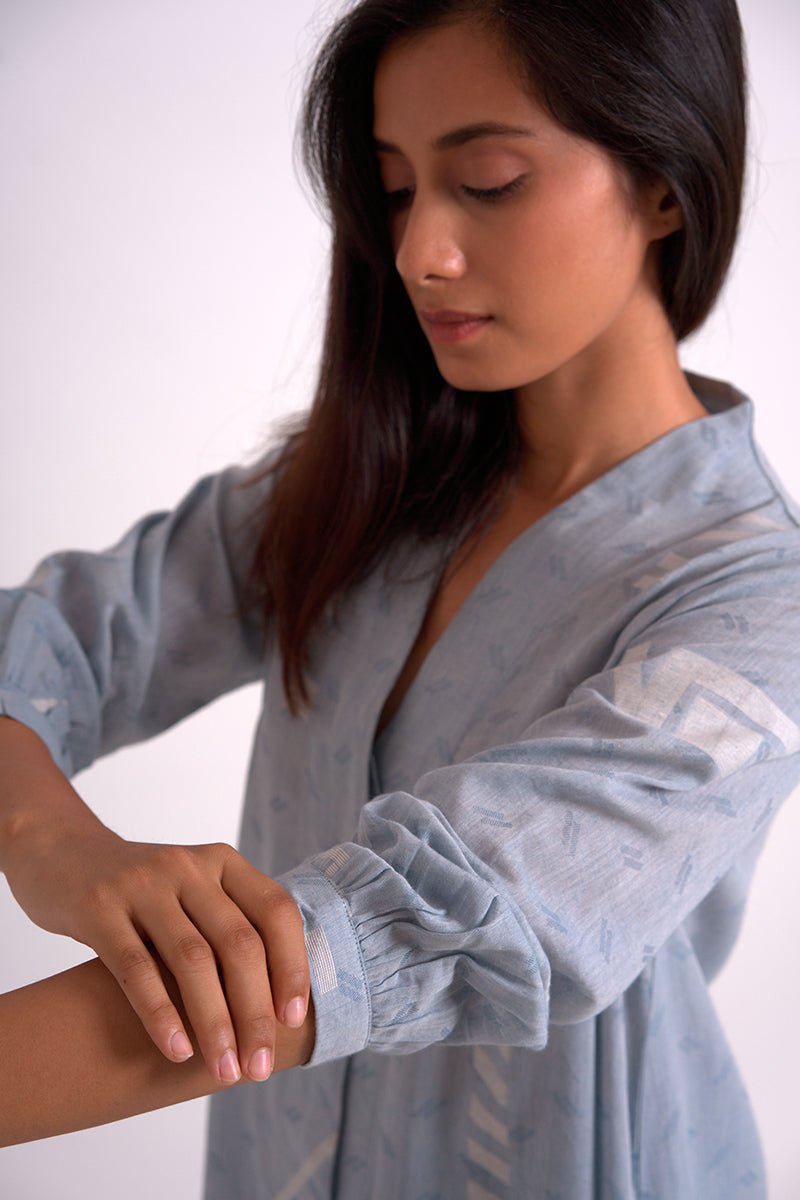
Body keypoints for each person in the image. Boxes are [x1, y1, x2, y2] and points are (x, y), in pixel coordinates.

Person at [0, 0, 797, 1196]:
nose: (420, 250)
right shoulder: (353, 482)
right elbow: (44, 643)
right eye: (394, 188)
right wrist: (50, 842)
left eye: (487, 182)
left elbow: (419, 925)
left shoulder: (754, 603)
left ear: (662, 185)